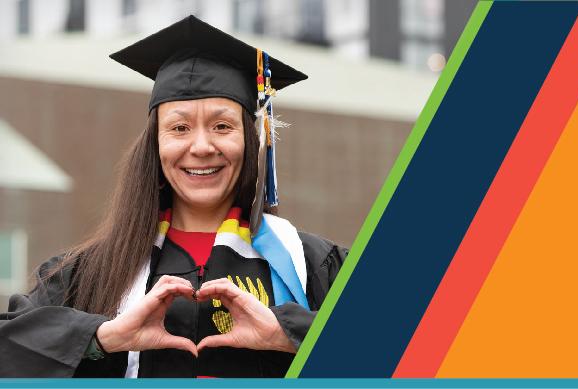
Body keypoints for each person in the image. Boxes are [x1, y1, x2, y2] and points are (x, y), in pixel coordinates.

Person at [0, 16, 347, 378]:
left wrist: (294, 335)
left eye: (222, 126)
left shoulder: (311, 266)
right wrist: (100, 337)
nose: (201, 146)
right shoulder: (90, 273)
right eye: (179, 128)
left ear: (250, 139)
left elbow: (402, 350)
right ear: (156, 144)